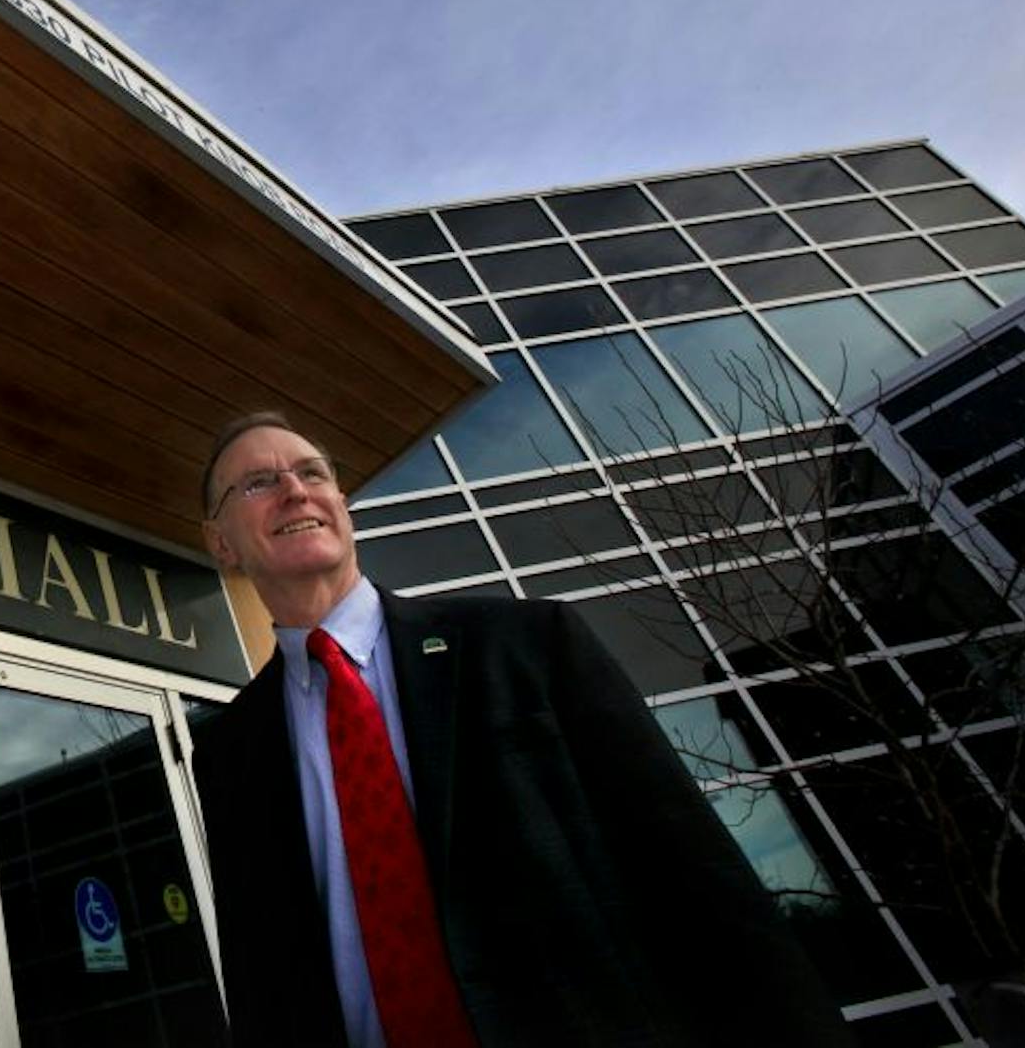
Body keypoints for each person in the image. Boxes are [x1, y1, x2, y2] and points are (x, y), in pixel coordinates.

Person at [191, 412, 849, 1048]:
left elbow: (699, 878)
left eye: (313, 471)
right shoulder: (230, 750)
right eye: (258, 482)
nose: (296, 489)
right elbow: (263, 979)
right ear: (221, 542)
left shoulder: (528, 644)